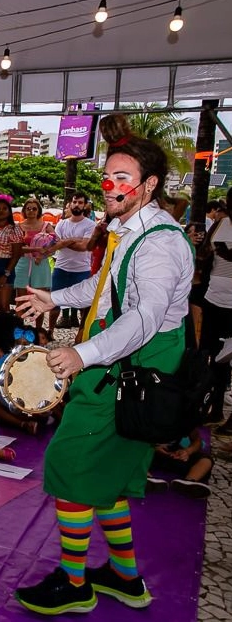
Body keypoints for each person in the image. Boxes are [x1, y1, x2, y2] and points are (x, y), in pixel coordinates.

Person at [14, 114, 193, 615]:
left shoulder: (158, 243)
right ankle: (124, 576)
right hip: (122, 359)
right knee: (109, 476)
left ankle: (74, 585)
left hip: (130, 366)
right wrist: (54, 298)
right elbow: (105, 290)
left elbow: (144, 317)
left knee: (68, 465)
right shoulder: (126, 228)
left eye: (122, 179)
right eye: (106, 176)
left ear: (149, 185)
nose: (109, 186)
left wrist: (80, 354)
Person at [201, 185, 232, 431]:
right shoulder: (221, 224)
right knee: (211, 355)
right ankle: (213, 407)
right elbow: (206, 253)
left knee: (226, 358)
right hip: (213, 299)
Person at [47, 192, 96, 335]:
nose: (77, 205)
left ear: (85, 205)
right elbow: (55, 244)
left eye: (80, 202)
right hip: (61, 267)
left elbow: (84, 247)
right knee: (54, 301)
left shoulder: (90, 225)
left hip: (82, 269)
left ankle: (82, 333)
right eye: (75, 202)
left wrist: (65, 241)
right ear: (70, 203)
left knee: (84, 304)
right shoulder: (62, 224)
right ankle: (50, 331)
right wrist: (73, 240)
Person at [14, 198, 56, 330]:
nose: (31, 211)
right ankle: (19, 330)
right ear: (24, 211)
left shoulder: (46, 226)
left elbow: (55, 243)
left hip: (40, 263)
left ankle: (38, 331)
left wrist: (43, 255)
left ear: (38, 211)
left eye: (34, 208)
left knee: (40, 297)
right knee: (20, 297)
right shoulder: (19, 226)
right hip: (23, 262)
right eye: (28, 208)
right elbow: (17, 248)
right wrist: (37, 250)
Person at [148, 428, 213, 498]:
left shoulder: (185, 419)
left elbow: (197, 440)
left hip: (173, 454)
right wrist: (153, 447)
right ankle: (146, 478)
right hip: (148, 451)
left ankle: (189, 482)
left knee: (205, 460)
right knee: (139, 454)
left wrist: (187, 451)